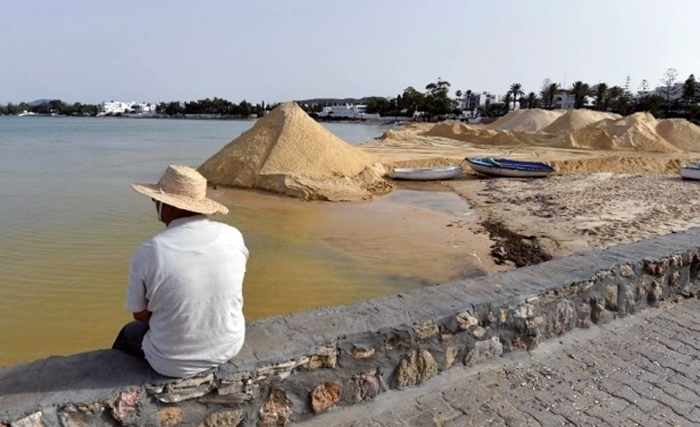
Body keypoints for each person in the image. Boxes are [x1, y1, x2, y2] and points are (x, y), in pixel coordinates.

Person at [112, 165, 249, 378]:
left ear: (170, 206)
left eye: (156, 200)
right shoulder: (233, 236)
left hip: (171, 364)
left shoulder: (150, 251)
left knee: (129, 333)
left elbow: (139, 315)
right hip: (230, 346)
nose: (155, 204)